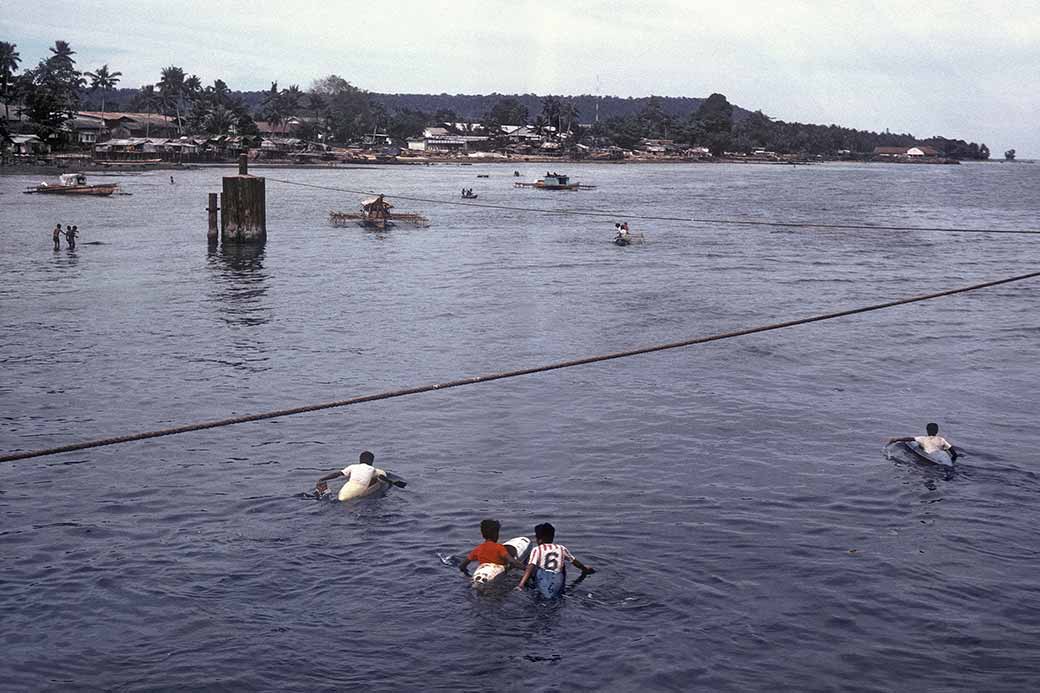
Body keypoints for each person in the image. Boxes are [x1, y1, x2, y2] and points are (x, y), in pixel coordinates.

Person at [516, 522, 594, 597]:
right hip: (558, 578)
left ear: (540, 539)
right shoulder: (561, 548)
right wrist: (584, 568)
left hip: (543, 577)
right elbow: (575, 562)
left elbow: (530, 566)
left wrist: (521, 584)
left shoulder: (537, 549)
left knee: (533, 566)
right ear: (552, 536)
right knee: (562, 567)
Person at [314, 450, 387, 497]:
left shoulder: (353, 466)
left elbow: (338, 474)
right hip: (360, 489)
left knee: (342, 499)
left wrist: (322, 479)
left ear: (360, 460)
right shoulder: (372, 469)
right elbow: (381, 476)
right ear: (372, 462)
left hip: (348, 486)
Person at [888, 423, 959, 460]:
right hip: (941, 458)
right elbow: (954, 454)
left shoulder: (922, 439)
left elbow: (909, 439)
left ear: (927, 431)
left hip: (930, 458)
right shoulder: (942, 440)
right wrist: (951, 461)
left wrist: (896, 439)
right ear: (937, 431)